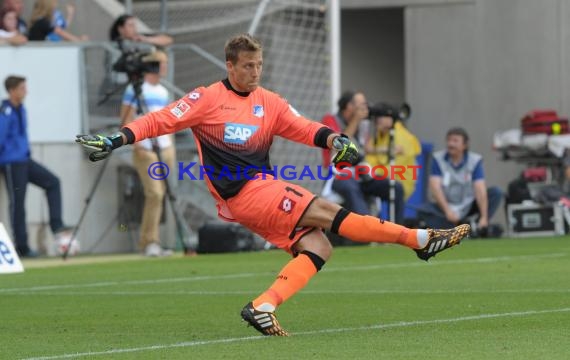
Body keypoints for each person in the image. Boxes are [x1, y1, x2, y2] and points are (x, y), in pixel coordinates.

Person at [76, 33, 470, 336]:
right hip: (245, 191)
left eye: (259, 65)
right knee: (330, 212)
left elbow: (303, 128)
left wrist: (336, 140)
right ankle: (418, 240)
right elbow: (157, 120)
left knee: (319, 247)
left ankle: (264, 305)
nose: (254, 72)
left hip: (257, 193)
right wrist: (115, 139)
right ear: (230, 66)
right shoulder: (207, 98)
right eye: (247, 65)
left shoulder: (270, 101)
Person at [0, 75, 73, 257]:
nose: (26, 92)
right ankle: (22, 246)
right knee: (18, 203)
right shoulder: (4, 111)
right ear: (12, 90)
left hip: (24, 160)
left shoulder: (21, 109)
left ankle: (56, 225)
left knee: (53, 182)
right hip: (11, 162)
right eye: (22, 88)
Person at [120, 51, 175, 257]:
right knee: (155, 193)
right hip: (146, 148)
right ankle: (149, 241)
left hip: (164, 147)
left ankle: (155, 241)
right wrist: (138, 144)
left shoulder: (162, 90)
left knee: (161, 195)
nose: (165, 67)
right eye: (162, 63)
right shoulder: (135, 89)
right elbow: (126, 118)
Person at [321, 91, 405, 223]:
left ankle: (397, 233)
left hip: (361, 173)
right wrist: (356, 120)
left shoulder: (363, 124)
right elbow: (339, 146)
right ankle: (369, 232)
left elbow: (364, 148)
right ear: (349, 106)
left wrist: (386, 147)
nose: (365, 108)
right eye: (361, 105)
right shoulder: (330, 120)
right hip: (339, 174)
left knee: (395, 187)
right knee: (352, 187)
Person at [417, 127, 503, 232]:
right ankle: (465, 228)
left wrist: (484, 217)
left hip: (468, 204)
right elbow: (435, 188)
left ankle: (478, 225)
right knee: (423, 210)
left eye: (455, 141)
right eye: (449, 140)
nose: (451, 144)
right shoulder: (437, 159)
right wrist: (448, 211)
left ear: (465, 145)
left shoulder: (474, 161)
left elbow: (480, 189)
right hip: (445, 206)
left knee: (496, 193)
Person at [365, 106, 421, 201]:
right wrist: (382, 150)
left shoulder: (401, 136)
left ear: (390, 118)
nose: (376, 120)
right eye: (376, 117)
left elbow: (392, 167)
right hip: (383, 178)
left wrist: (369, 169)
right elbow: (368, 152)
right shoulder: (381, 133)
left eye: (380, 117)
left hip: (399, 182)